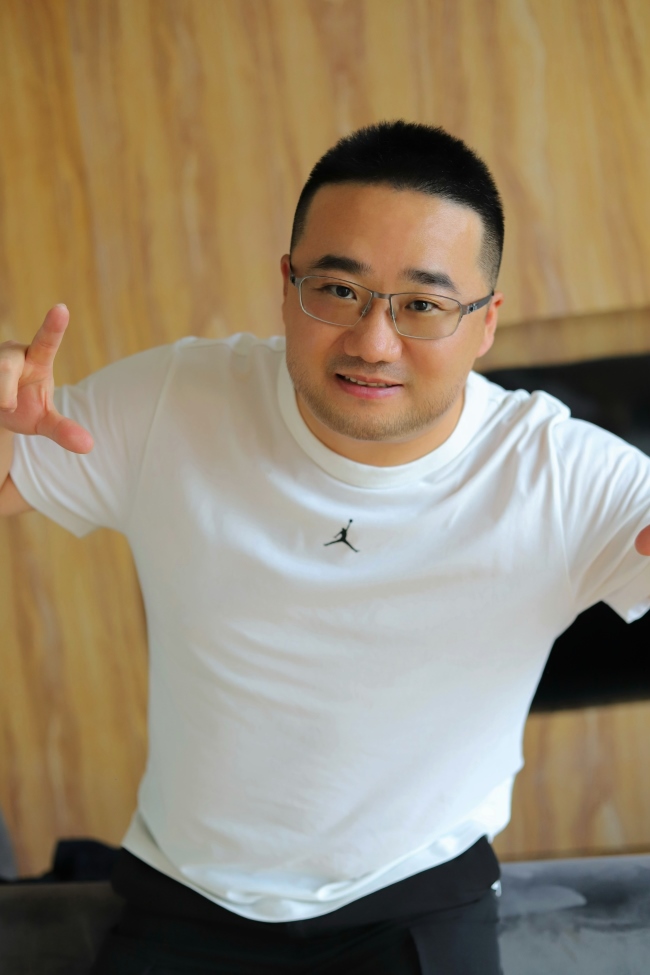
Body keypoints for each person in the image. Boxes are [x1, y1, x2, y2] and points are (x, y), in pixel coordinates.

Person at [1, 120, 649, 975]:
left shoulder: (559, 473)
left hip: (415, 893)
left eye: (423, 305)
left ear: (485, 322)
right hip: (183, 893)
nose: (374, 342)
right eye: (338, 290)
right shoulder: (176, 401)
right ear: (287, 284)